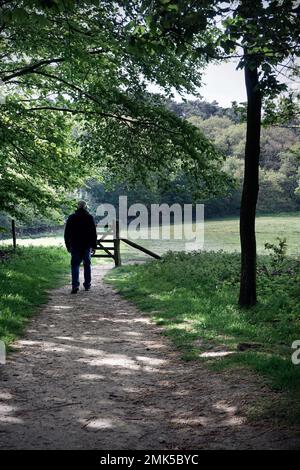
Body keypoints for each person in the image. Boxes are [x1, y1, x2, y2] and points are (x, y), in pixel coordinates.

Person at [64, 200, 97, 294]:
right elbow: (93, 233)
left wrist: (67, 245)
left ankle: (75, 285)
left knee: (75, 265)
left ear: (77, 206)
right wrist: (94, 246)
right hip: (86, 245)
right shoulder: (89, 217)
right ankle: (87, 285)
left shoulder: (71, 217)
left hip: (75, 245)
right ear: (85, 207)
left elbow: (67, 233)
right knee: (87, 265)